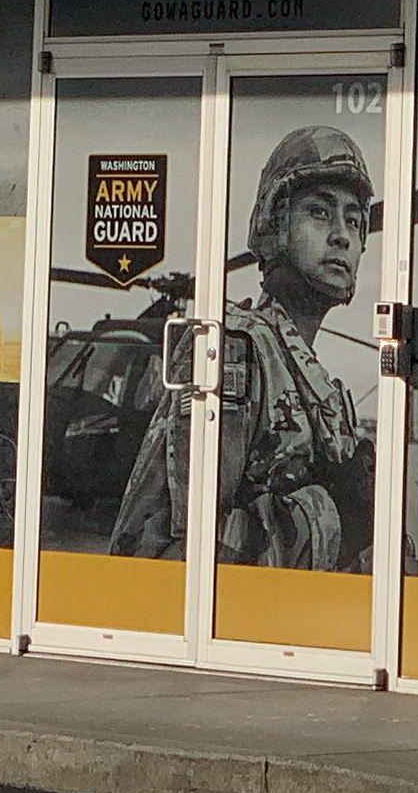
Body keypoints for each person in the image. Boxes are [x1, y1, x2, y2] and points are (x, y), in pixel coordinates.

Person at [111, 124, 377, 573]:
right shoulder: (233, 352)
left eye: (353, 220)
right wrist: (331, 514)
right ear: (275, 224)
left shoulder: (315, 382)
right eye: (319, 212)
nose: (342, 236)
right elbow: (160, 556)